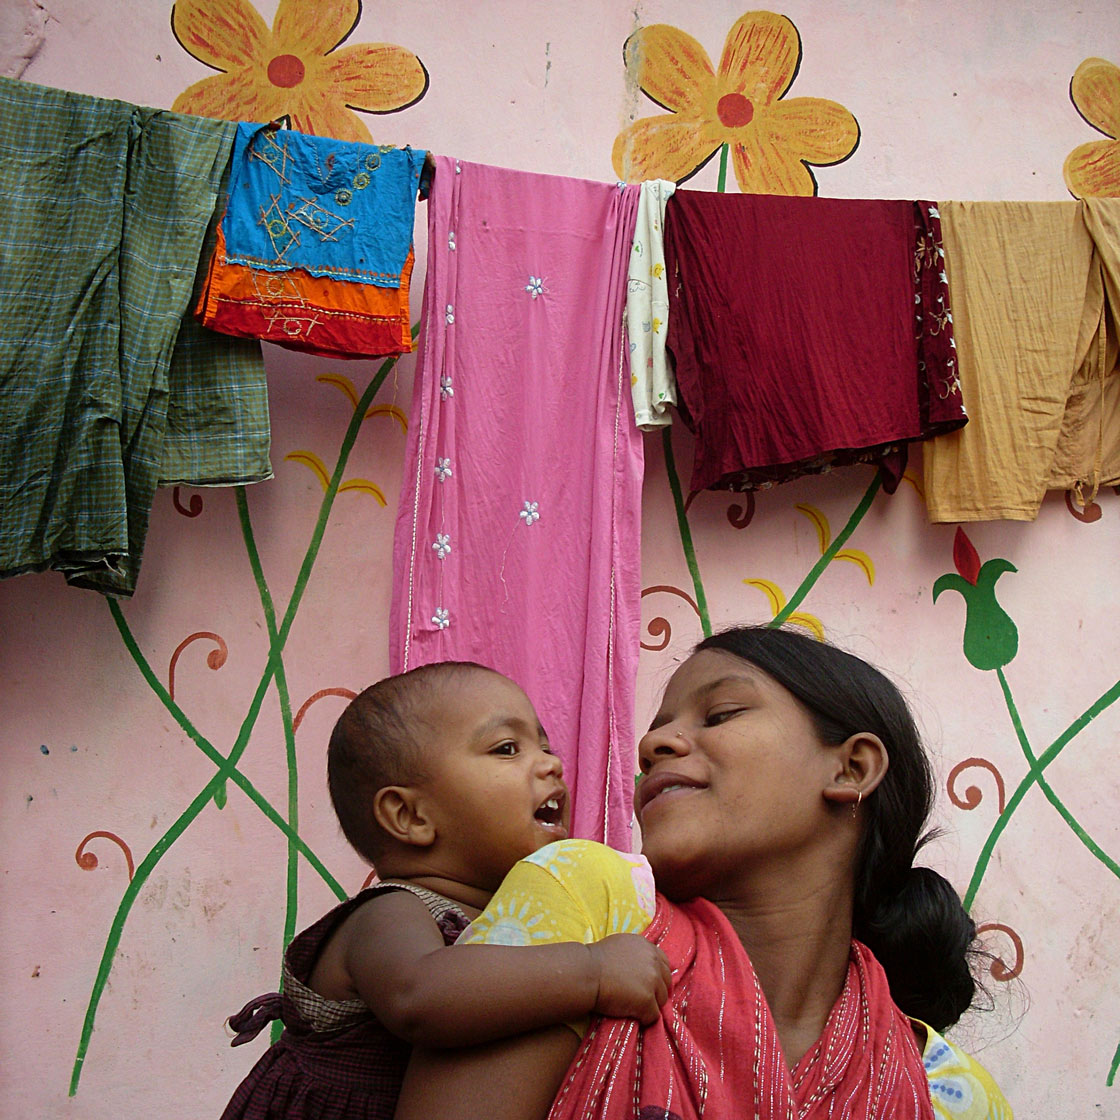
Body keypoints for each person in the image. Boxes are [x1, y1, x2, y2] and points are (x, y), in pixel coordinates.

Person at [394, 627, 1013, 1120]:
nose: (653, 744)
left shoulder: (946, 1090)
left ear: (850, 769)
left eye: (719, 714)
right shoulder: (590, 903)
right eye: (657, 728)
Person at [219, 660, 670, 1120]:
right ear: (410, 816)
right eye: (507, 748)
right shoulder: (388, 913)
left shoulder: (509, 913)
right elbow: (418, 996)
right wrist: (593, 971)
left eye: (545, 746)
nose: (552, 764)